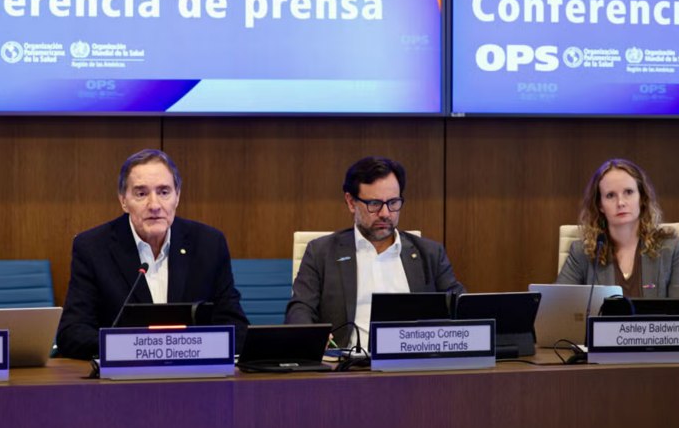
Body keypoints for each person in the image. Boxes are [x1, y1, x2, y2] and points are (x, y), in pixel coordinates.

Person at [57, 148, 248, 359]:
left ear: (177, 196)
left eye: (164, 192)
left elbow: (235, 326)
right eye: (141, 194)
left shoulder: (208, 244)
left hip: (193, 371)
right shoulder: (93, 247)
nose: (154, 205)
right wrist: (139, 349)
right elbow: (72, 332)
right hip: (124, 374)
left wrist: (184, 349)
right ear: (123, 200)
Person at [285, 156, 465, 349]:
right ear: (351, 202)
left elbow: (461, 307)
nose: (385, 213)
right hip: (347, 363)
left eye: (393, 202)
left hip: (414, 361)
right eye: (374, 204)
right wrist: (312, 337)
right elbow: (300, 309)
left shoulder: (430, 254)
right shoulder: (321, 253)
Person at [556, 158, 679, 314]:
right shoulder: (582, 252)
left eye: (628, 192)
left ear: (641, 198)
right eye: (610, 195)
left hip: (656, 331)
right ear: (600, 205)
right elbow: (557, 311)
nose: (621, 202)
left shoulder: (672, 249)